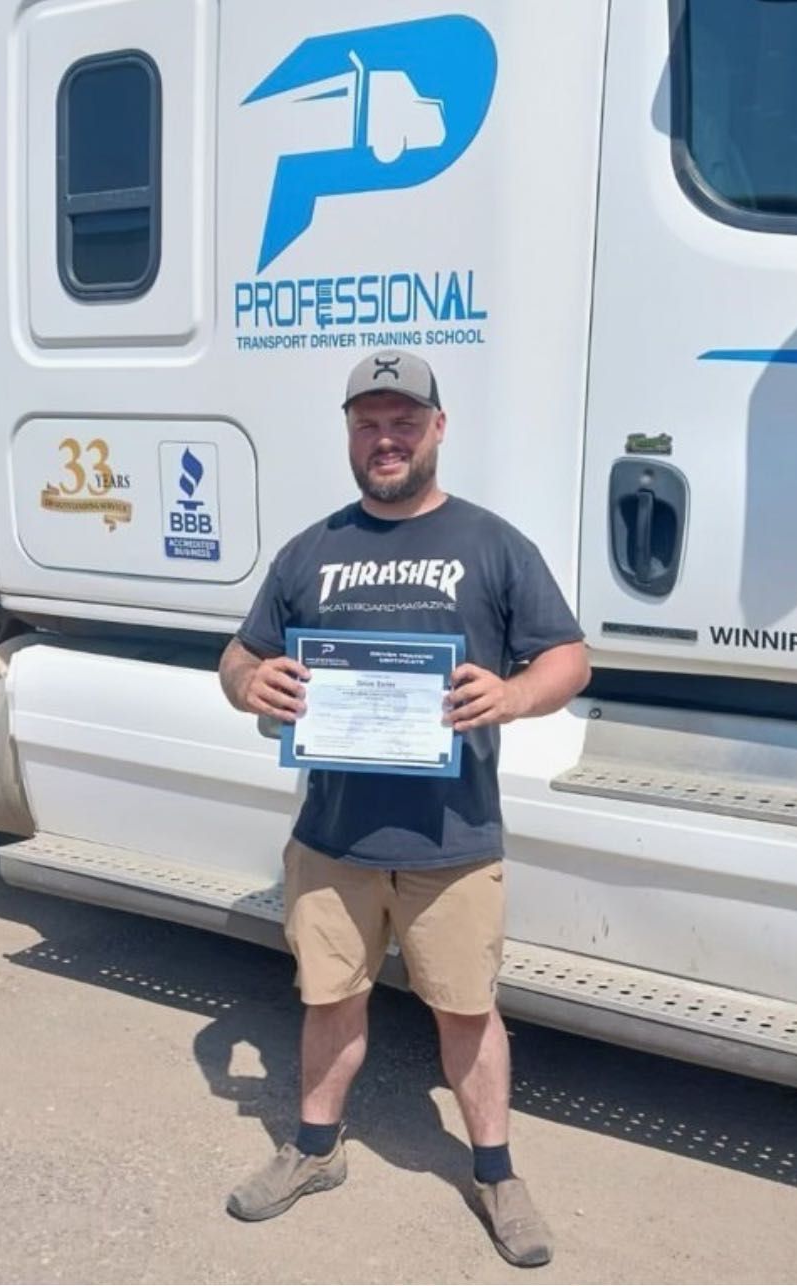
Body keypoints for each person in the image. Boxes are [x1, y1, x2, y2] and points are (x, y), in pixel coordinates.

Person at [217, 349, 590, 1267]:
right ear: (350, 433)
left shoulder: (493, 544)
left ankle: (497, 1175)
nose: (386, 438)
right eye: (367, 422)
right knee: (328, 998)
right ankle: (314, 1152)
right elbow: (235, 657)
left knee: (466, 1012)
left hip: (451, 840)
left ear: (437, 429)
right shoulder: (311, 549)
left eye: (403, 421)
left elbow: (570, 659)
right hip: (333, 838)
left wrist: (511, 696)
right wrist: (250, 681)